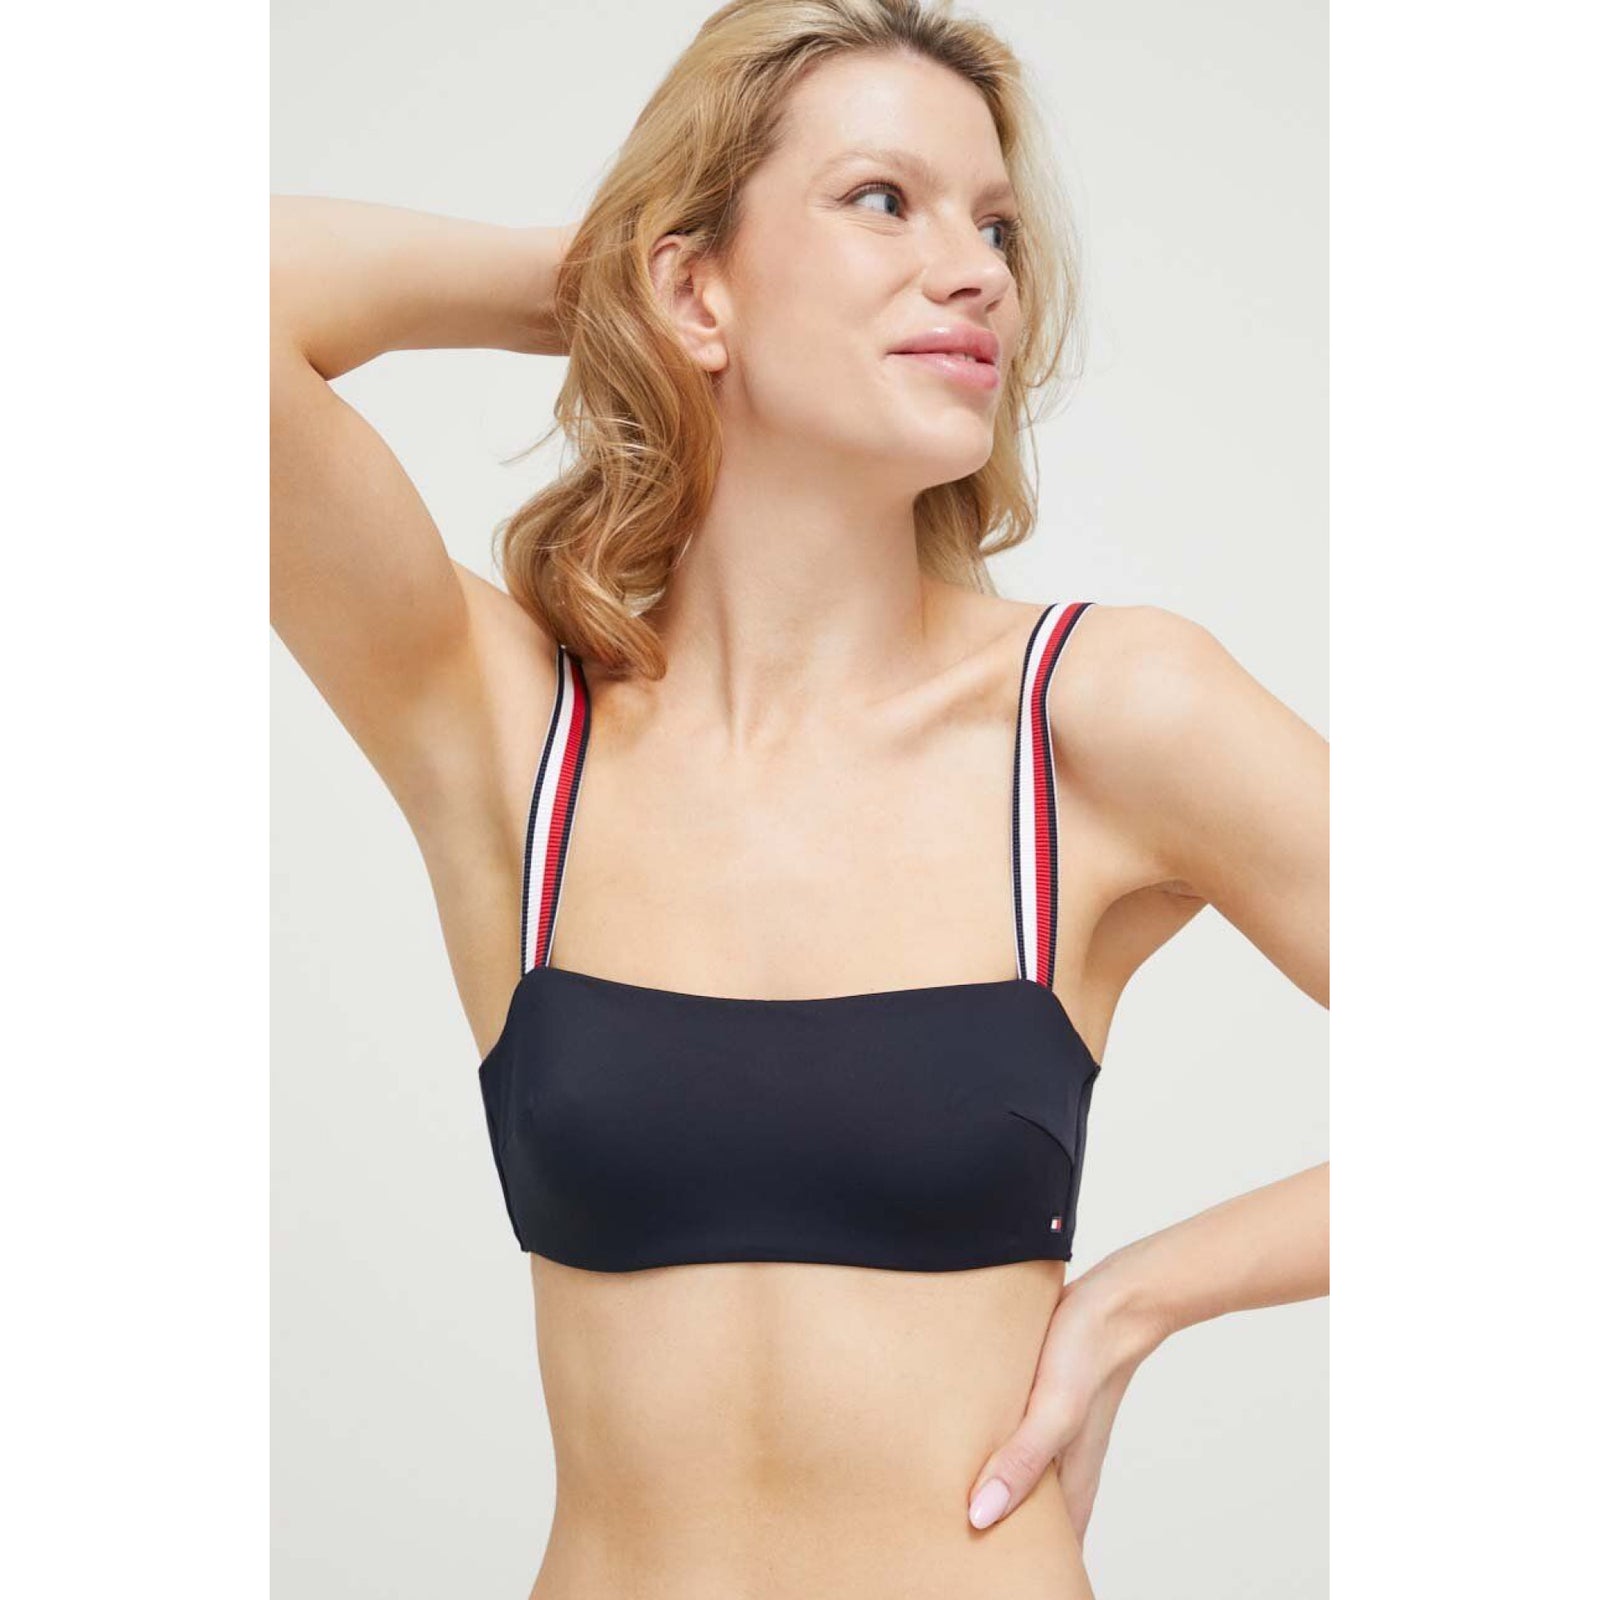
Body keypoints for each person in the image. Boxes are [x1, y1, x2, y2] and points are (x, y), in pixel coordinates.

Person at [270, 3, 1328, 1595]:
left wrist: (1141, 1297)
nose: (977, 272)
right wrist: (617, 287)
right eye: (883, 201)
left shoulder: (1095, 716)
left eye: (996, 228)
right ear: (696, 285)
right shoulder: (515, 739)